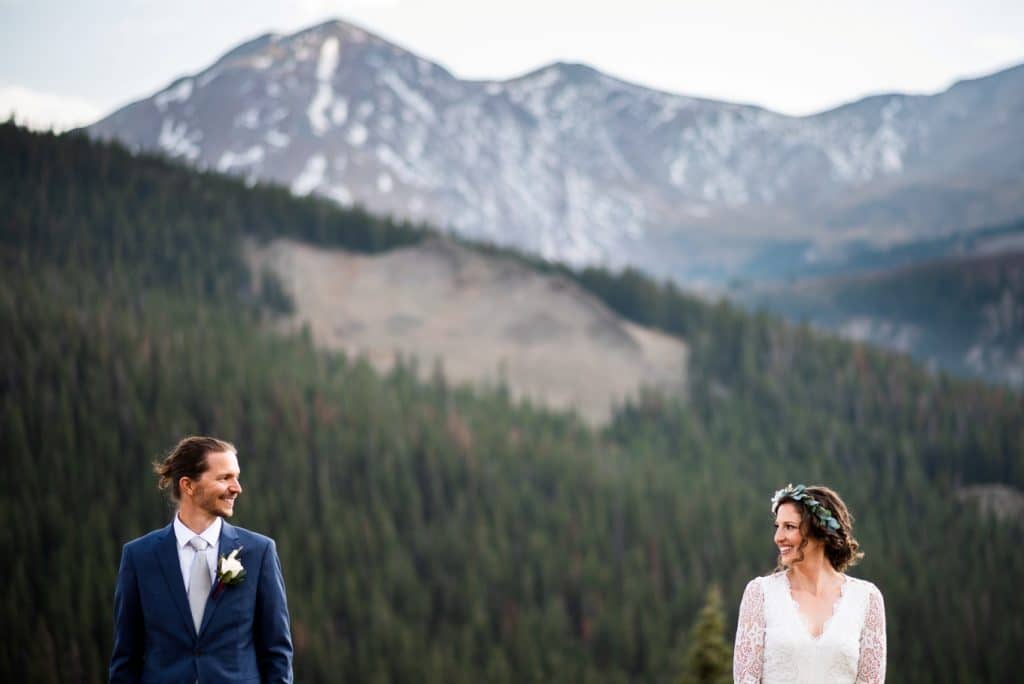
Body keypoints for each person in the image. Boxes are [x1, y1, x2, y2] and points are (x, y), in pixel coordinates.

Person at [110, 436, 293, 683]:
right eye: (224, 478)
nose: (237, 487)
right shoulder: (139, 557)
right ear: (188, 485)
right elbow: (126, 659)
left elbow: (277, 654)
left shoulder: (259, 552)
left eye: (236, 477)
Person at [733, 484, 885, 683]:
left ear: (821, 532)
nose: (778, 537)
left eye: (789, 527)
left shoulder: (867, 599)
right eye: (777, 526)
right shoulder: (760, 593)